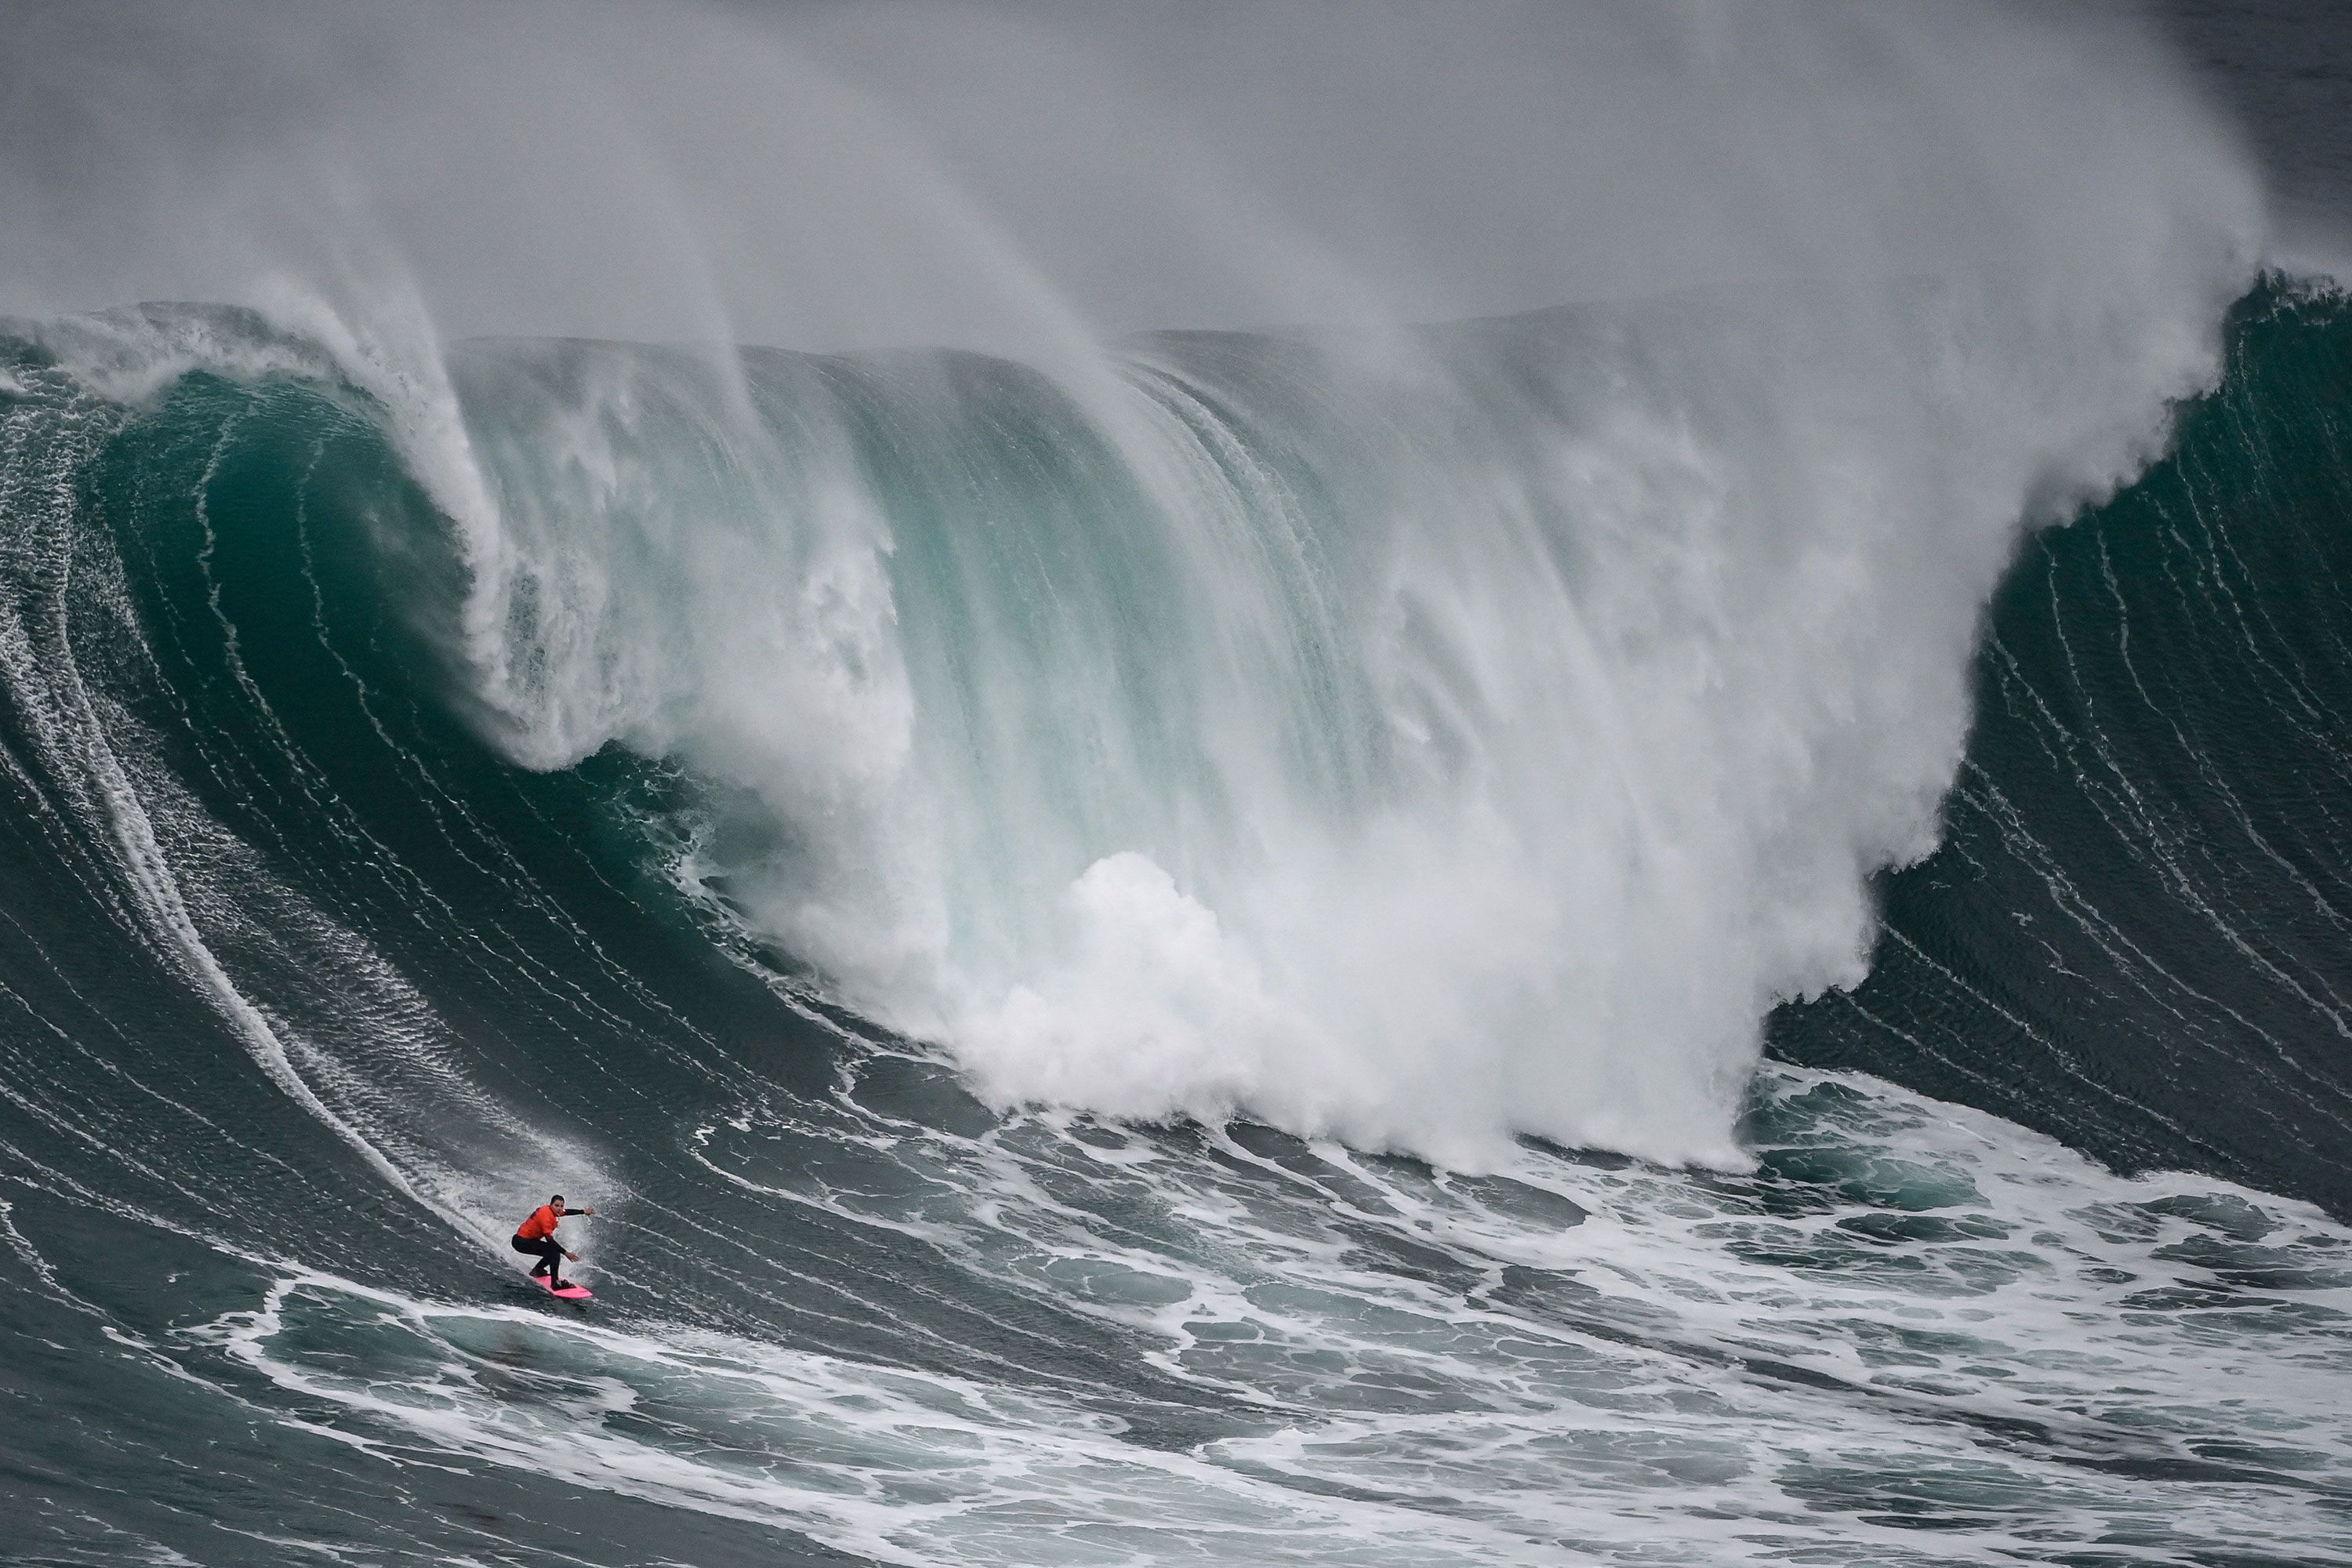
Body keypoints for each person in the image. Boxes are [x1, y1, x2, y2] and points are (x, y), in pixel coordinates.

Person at [512, 1194, 595, 1290]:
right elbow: (550, 1241)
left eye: (561, 1206)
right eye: (556, 1205)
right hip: (521, 1242)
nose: (559, 1209)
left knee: (551, 1251)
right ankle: (555, 1284)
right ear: (551, 1205)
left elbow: (567, 1212)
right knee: (554, 1252)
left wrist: (584, 1212)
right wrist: (566, 1253)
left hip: (527, 1240)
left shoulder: (553, 1211)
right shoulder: (546, 1217)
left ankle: (538, 1270)